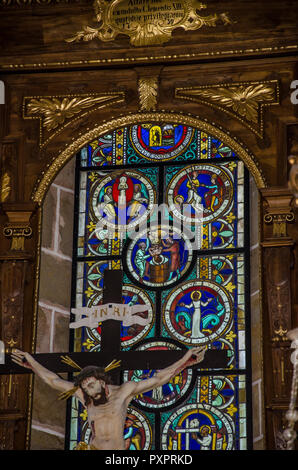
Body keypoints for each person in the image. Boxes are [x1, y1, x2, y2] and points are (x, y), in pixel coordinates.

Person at [11, 346, 206, 451]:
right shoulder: (85, 397)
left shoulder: (123, 392)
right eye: (85, 387)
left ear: (103, 383)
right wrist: (32, 363)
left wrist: (185, 361)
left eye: (91, 384)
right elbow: (53, 380)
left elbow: (158, 379)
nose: (88, 390)